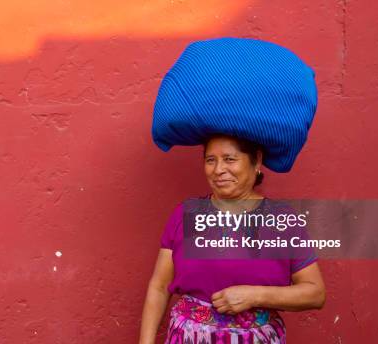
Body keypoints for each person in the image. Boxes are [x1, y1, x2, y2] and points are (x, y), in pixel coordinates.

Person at [138, 134, 326, 344]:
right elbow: (160, 286)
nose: (218, 170)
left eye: (229, 159)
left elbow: (315, 293)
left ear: (257, 160)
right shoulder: (186, 215)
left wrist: (255, 296)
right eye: (211, 160)